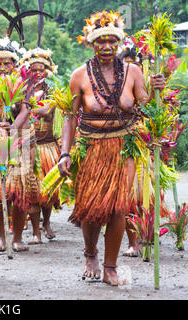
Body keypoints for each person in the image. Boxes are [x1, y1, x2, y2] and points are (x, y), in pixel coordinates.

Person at [59, 10, 165, 286]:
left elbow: (146, 108)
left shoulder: (133, 72)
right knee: (91, 208)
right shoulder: (79, 76)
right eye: (100, 41)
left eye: (111, 41)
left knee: (118, 206)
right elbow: (70, 119)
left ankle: (110, 267)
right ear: (91, 43)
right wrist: (65, 153)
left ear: (118, 43)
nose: (106, 47)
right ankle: (90, 254)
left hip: (124, 146)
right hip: (92, 147)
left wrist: (156, 91)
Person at [0, 35, 27, 252]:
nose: (2, 67)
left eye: (6, 63)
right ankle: (0, 235)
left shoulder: (23, 83)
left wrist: (13, 127)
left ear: (14, 64)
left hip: (21, 143)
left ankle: (17, 237)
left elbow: (27, 110)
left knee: (20, 192)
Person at [21, 47, 60, 243]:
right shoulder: (21, 90)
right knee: (32, 191)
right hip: (29, 146)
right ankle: (36, 231)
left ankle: (47, 223)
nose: (37, 73)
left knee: (48, 190)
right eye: (33, 70)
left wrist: (29, 107)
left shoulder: (52, 91)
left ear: (47, 71)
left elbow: (46, 111)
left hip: (48, 147)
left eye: (41, 70)